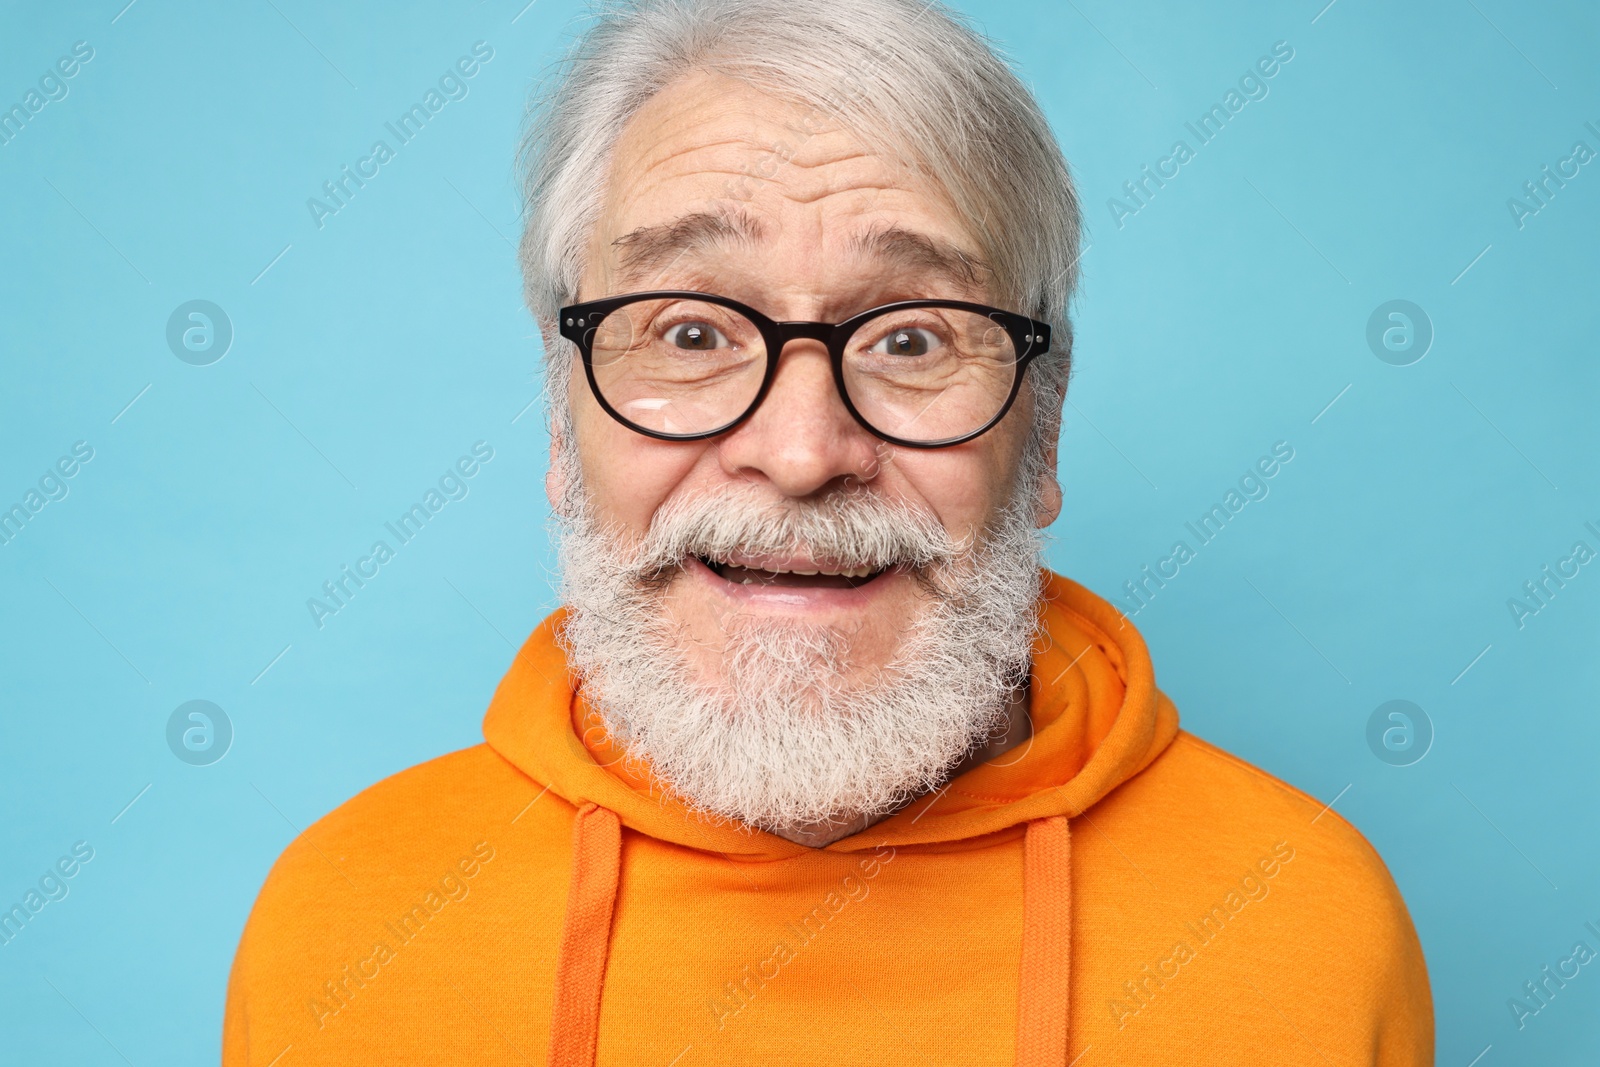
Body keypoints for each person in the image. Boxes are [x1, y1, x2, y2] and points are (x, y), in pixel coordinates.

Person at [223, 0, 1433, 1062]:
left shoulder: (1305, 922)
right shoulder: (342, 926)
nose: (801, 456)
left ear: (1044, 429)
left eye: (911, 337)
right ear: (559, 419)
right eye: (689, 333)